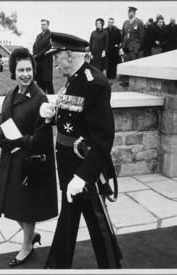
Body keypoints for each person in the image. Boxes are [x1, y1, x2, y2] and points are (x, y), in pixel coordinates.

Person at [41, 32, 122, 269]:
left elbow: (103, 138)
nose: (54, 63)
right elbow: (74, 120)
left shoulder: (93, 82)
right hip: (68, 164)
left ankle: (111, 267)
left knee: (97, 220)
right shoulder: (72, 79)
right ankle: (57, 265)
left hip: (84, 167)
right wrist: (52, 116)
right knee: (68, 216)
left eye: (56, 57)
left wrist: (83, 176)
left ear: (67, 55)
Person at [0, 47, 58, 267]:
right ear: (14, 71)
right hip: (12, 159)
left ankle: (27, 246)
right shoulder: (11, 94)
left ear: (34, 70)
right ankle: (31, 237)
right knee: (12, 205)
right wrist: (1, 137)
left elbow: (40, 138)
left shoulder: (40, 98)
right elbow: (4, 121)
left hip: (29, 162)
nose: (25, 74)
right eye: (21, 69)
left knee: (26, 208)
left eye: (28, 69)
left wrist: (15, 142)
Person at [33, 19, 54, 94]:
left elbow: (48, 47)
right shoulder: (38, 36)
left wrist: (37, 55)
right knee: (40, 82)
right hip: (38, 63)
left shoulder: (51, 35)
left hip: (46, 62)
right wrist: (34, 55)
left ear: (48, 25)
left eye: (44, 24)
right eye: (41, 24)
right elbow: (35, 46)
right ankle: (41, 99)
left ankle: (52, 100)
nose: (42, 26)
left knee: (48, 82)